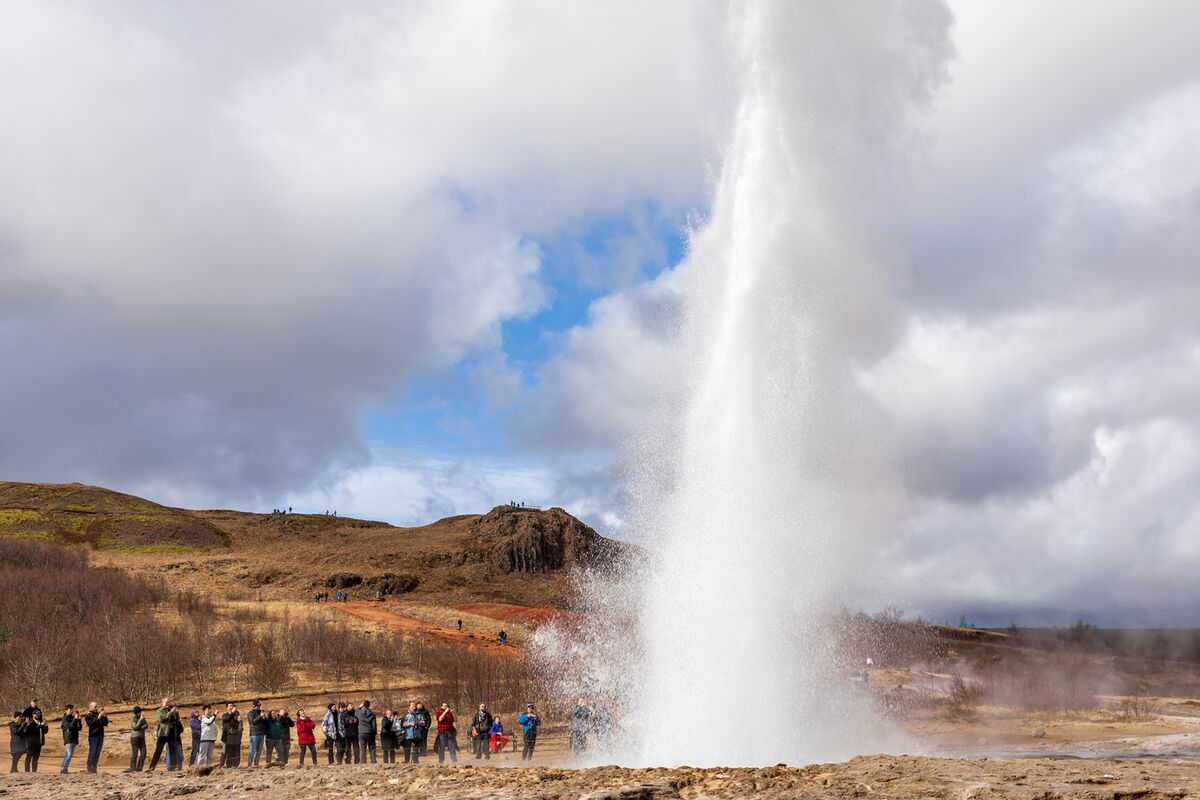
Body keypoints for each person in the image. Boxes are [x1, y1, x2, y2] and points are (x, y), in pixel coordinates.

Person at [146, 698, 173, 772]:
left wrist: (175, 713)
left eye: (169, 702)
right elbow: (161, 718)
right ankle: (152, 767)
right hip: (162, 733)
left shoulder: (170, 710)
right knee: (158, 751)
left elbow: (174, 720)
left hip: (170, 732)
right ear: (162, 703)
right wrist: (170, 712)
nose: (168, 703)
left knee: (172, 750)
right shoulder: (159, 711)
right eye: (166, 702)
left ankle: (172, 766)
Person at [84, 702, 109, 773]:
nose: (96, 708)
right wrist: (98, 717)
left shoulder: (98, 714)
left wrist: (104, 716)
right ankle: (89, 767)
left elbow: (105, 723)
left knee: (97, 753)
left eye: (97, 707)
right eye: (95, 707)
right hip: (93, 736)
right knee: (92, 752)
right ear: (90, 707)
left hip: (100, 736)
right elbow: (92, 724)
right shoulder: (88, 716)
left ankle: (94, 768)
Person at [59, 705, 82, 774]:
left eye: (72, 709)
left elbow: (79, 728)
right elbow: (70, 726)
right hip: (68, 738)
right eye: (70, 709)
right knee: (69, 755)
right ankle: (63, 769)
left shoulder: (73, 718)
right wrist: (75, 719)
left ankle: (64, 769)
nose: (72, 711)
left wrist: (79, 720)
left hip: (74, 738)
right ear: (66, 710)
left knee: (68, 754)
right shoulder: (65, 718)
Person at [127, 706, 148, 772]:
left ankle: (139, 767)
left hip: (142, 738)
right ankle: (132, 768)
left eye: (140, 712)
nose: (140, 713)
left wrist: (141, 727)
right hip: (134, 738)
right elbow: (135, 727)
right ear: (135, 713)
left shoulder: (142, 717)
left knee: (144, 753)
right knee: (135, 753)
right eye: (138, 712)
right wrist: (140, 720)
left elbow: (146, 725)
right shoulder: (133, 719)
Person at [247, 700, 267, 767]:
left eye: (259, 706)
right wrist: (260, 716)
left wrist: (264, 718)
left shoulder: (261, 712)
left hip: (261, 734)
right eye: (257, 706)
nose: (258, 707)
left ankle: (256, 764)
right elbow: (253, 722)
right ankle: (249, 764)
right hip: (254, 734)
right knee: (252, 750)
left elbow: (264, 723)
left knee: (259, 751)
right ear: (253, 706)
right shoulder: (250, 713)